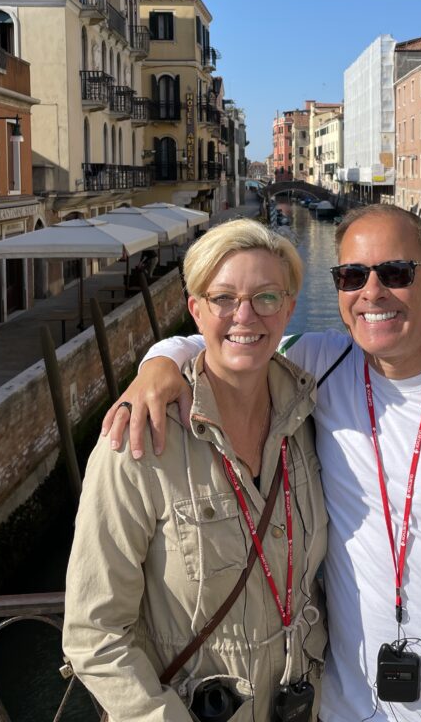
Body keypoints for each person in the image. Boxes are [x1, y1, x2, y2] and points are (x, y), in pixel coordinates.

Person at [105, 205, 421, 722]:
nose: (372, 292)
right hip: (345, 709)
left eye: (396, 273)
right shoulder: (320, 364)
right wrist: (159, 364)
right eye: (352, 276)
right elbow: (231, 338)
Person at [63, 219, 327, 722]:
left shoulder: (312, 416)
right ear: (195, 309)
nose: (245, 315)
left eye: (267, 297)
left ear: (289, 307)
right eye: (223, 297)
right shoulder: (137, 441)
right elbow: (93, 634)